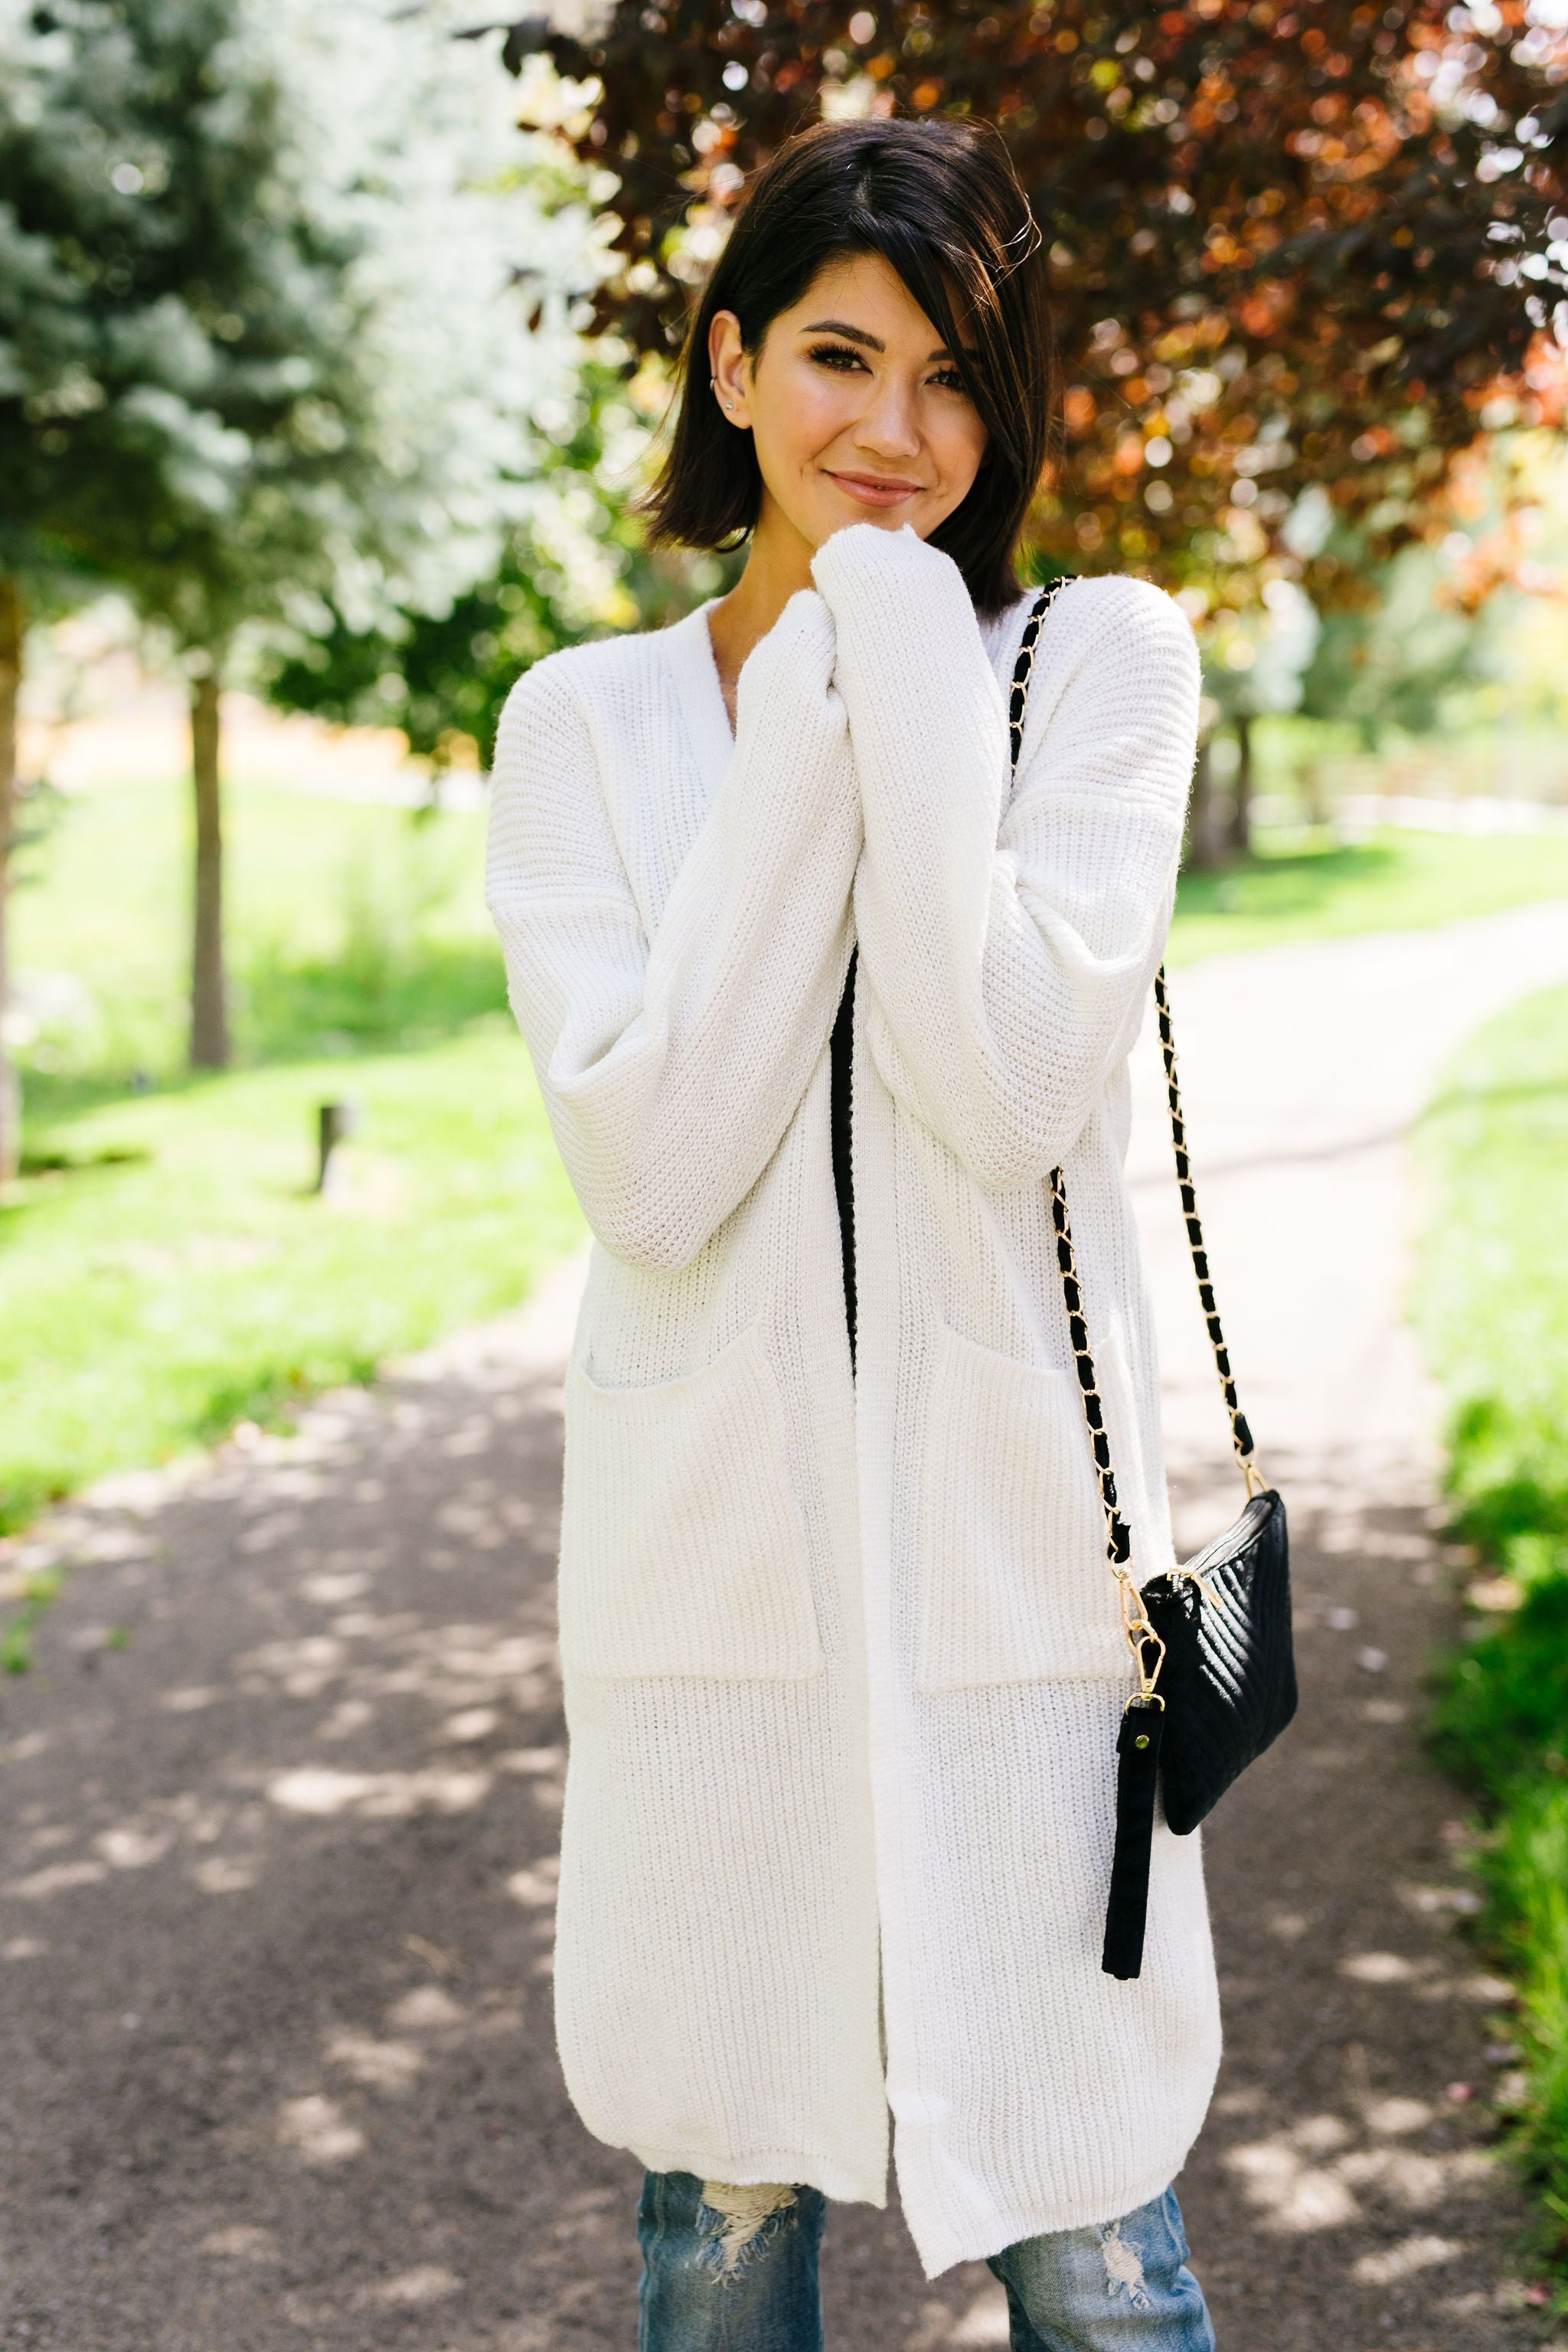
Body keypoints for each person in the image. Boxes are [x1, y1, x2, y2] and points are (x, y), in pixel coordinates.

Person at [485, 112, 1218, 2352]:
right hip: (719, 1580)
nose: (897, 430)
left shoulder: (1096, 664)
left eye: (956, 375)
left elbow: (1005, 1088)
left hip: (1022, 1577)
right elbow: (652, 1171)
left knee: (1097, 2249)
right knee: (721, 2232)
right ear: (730, 365)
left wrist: (887, 635)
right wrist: (813, 705)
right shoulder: (582, 724)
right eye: (837, 356)